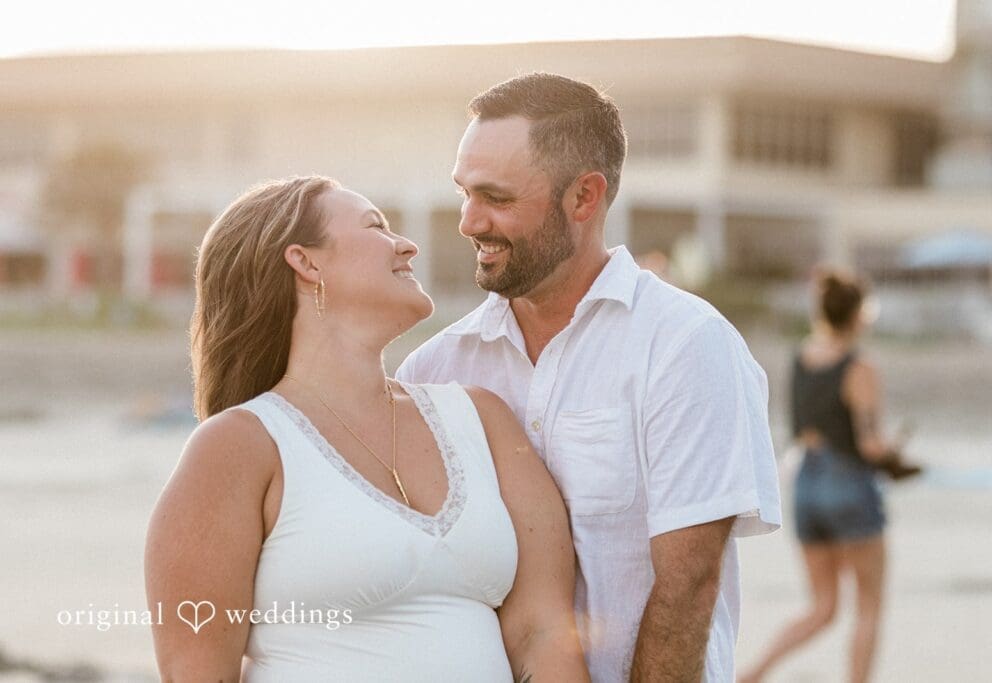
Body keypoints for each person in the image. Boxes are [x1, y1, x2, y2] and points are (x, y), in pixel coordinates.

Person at [395, 73, 782, 682]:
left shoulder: (685, 346)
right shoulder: (434, 369)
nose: (468, 221)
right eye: (464, 192)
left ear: (584, 198)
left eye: (495, 197)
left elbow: (687, 587)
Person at [144, 176, 589, 682]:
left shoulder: (482, 419)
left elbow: (544, 634)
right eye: (376, 226)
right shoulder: (238, 447)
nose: (407, 244)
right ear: (306, 262)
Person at [739, 269, 895, 683]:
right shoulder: (858, 364)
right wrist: (895, 456)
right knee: (869, 605)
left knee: (823, 607)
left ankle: (750, 674)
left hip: (806, 483)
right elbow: (868, 444)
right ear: (859, 315)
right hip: (847, 482)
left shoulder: (802, 356)